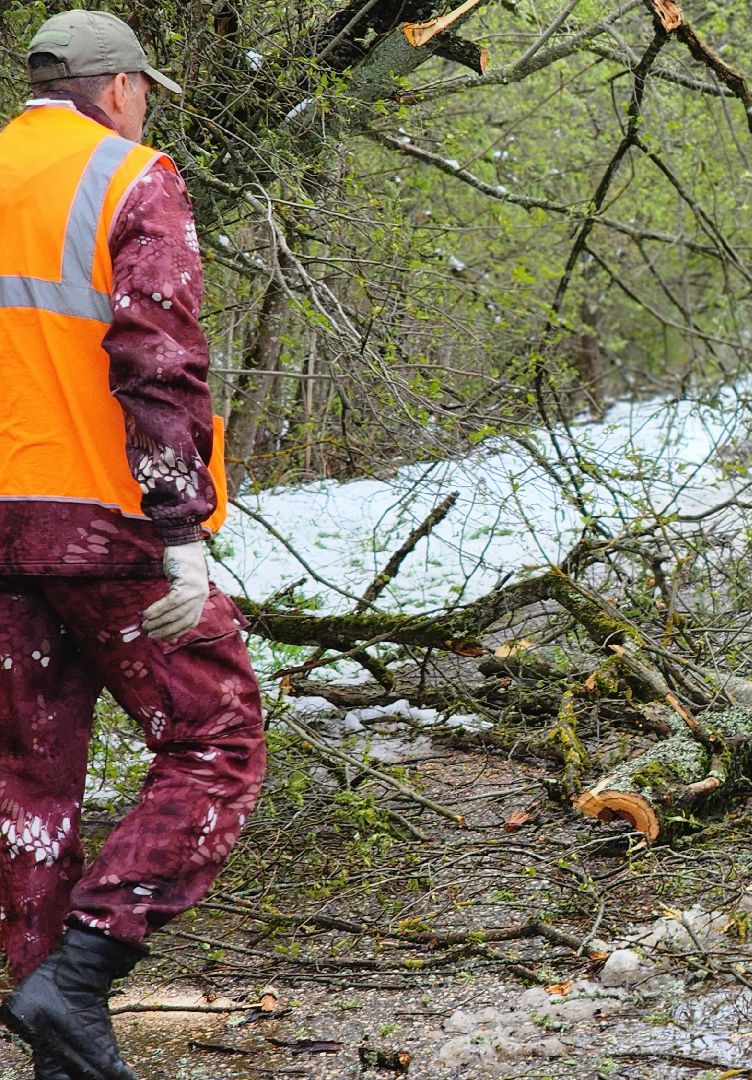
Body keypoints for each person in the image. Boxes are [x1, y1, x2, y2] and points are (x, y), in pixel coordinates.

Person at [0, 12, 266, 1080]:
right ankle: (81, 972)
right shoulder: (129, 176)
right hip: (103, 520)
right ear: (114, 90)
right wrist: (181, 530)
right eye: (142, 88)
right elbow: (160, 361)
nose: (145, 103)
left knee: (26, 782)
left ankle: (51, 1036)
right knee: (218, 738)